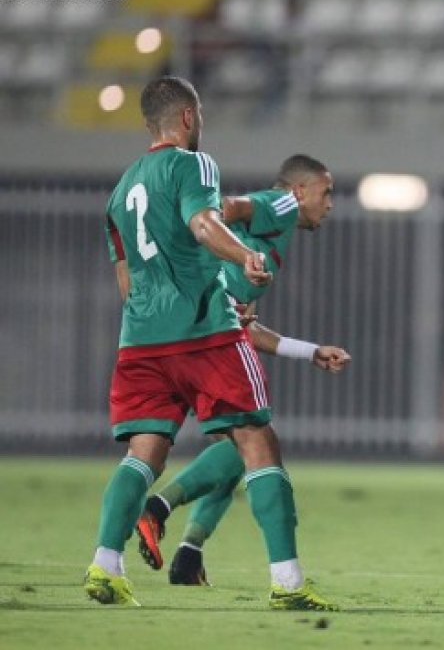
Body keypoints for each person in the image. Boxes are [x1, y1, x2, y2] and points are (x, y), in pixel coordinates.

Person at [84, 76, 336, 611]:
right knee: (256, 442)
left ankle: (106, 566)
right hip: (204, 331)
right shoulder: (194, 165)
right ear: (188, 117)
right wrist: (242, 256)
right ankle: (288, 583)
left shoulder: (119, 192)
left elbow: (126, 283)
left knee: (143, 453)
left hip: (141, 340)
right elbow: (205, 222)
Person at [135, 155, 351, 586]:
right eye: (326, 192)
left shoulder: (263, 241)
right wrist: (210, 242)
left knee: (235, 449)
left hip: (193, 332)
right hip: (203, 337)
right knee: (254, 443)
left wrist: (310, 352)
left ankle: (188, 552)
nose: (329, 204)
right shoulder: (282, 204)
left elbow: (247, 330)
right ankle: (159, 509)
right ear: (300, 191)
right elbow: (226, 207)